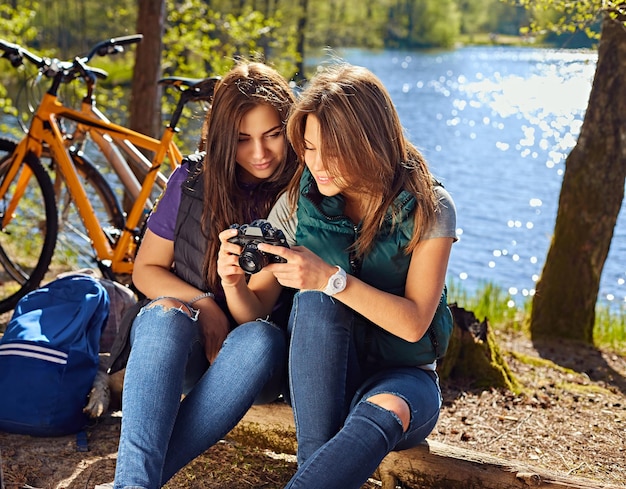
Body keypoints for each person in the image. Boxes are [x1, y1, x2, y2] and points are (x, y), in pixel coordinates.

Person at [218, 63, 457, 489]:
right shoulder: (301, 200)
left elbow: (415, 321)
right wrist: (233, 281)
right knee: (312, 296)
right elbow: (252, 310)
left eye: (332, 151)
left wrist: (331, 278)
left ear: (369, 142)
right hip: (323, 379)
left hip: (404, 377)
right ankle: (314, 463)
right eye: (308, 148)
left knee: (386, 407)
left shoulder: (429, 206)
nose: (317, 164)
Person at [110, 60, 297, 489]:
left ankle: (136, 483)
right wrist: (206, 304)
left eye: (272, 135)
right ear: (221, 138)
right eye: (242, 139)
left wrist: (230, 285)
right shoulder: (191, 178)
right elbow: (145, 269)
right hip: (187, 349)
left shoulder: (296, 196)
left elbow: (256, 314)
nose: (260, 153)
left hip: (254, 364)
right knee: (161, 315)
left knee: (260, 338)